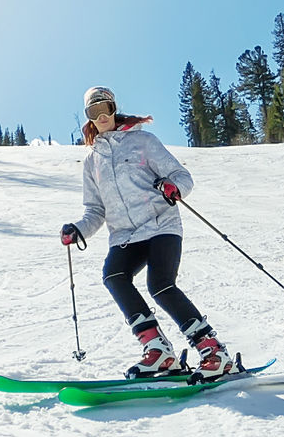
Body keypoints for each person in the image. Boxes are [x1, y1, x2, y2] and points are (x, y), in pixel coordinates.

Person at [59, 86, 237, 383]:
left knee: (160, 285)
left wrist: (173, 189)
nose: (102, 116)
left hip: (160, 225)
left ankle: (214, 352)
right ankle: (158, 351)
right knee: (114, 275)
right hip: (125, 235)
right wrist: (79, 229)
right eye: (94, 112)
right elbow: (95, 210)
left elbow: (182, 176)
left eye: (106, 108)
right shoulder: (92, 161)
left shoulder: (142, 142)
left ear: (115, 109)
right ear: (88, 118)